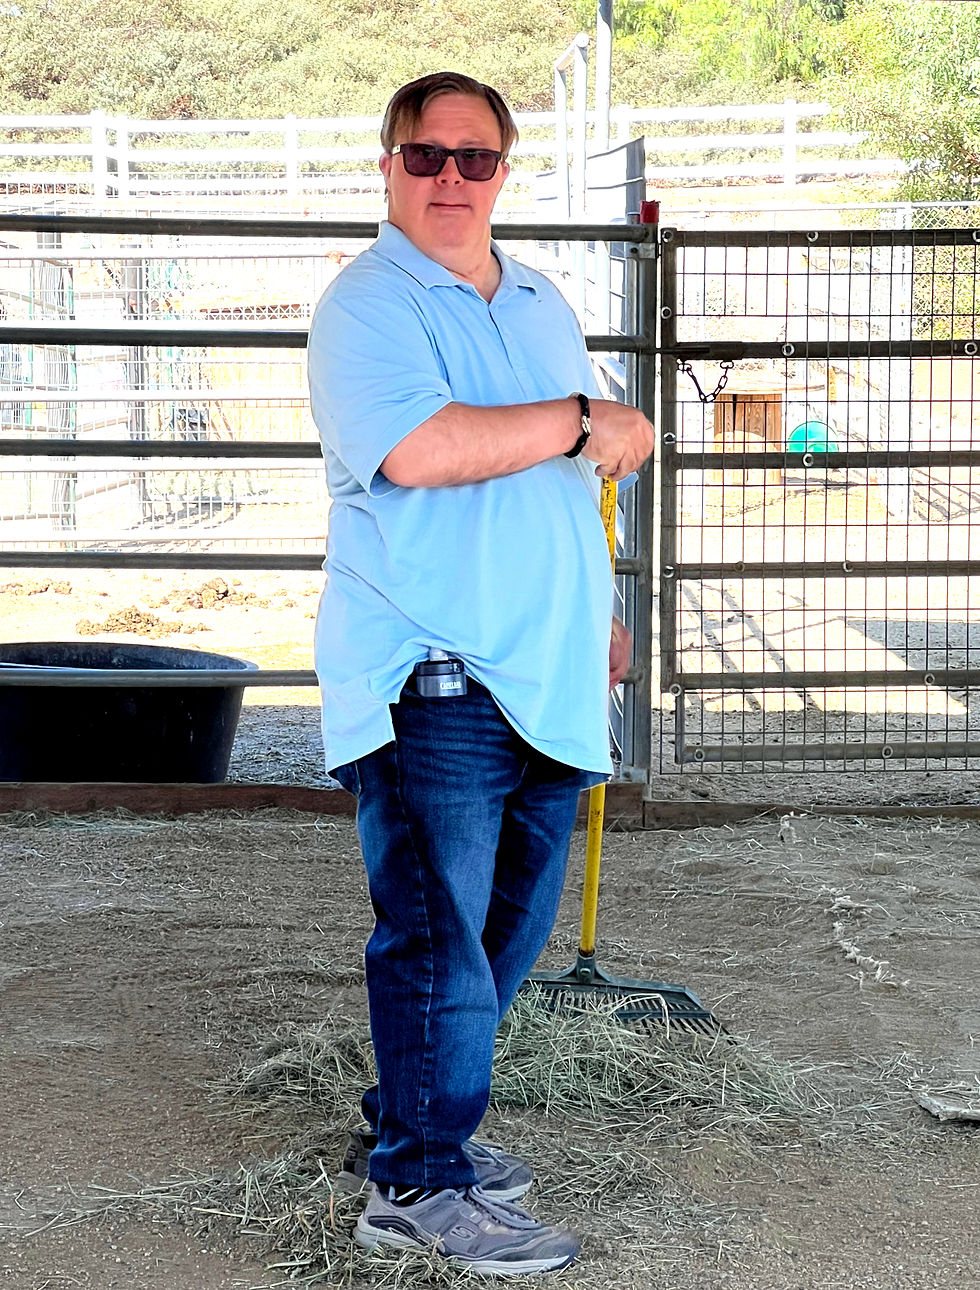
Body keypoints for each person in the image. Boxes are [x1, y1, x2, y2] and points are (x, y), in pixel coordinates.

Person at [306, 71, 655, 1276]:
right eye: (424, 156)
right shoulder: (368, 306)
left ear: (505, 171)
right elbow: (419, 449)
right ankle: (415, 1183)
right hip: (433, 673)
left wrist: (593, 620)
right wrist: (577, 417)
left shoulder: (541, 296)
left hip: (542, 673)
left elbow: (568, 480)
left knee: (498, 941)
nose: (448, 179)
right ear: (387, 165)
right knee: (441, 941)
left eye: (474, 158)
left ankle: (412, 1125)